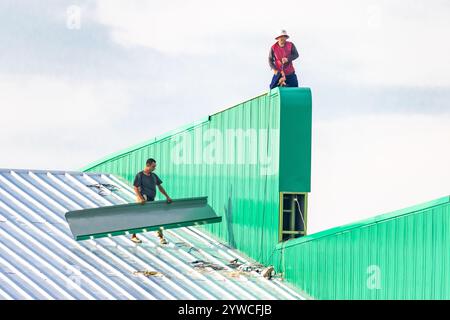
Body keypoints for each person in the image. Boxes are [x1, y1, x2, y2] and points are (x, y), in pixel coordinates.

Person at [132, 158, 172, 244]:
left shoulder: (154, 176)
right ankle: (133, 236)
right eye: (153, 166)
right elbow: (135, 188)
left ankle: (161, 238)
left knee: (156, 217)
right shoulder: (140, 175)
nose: (155, 168)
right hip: (142, 200)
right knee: (139, 218)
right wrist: (141, 199)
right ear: (148, 165)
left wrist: (167, 196)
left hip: (151, 200)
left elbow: (160, 187)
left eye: (155, 166)